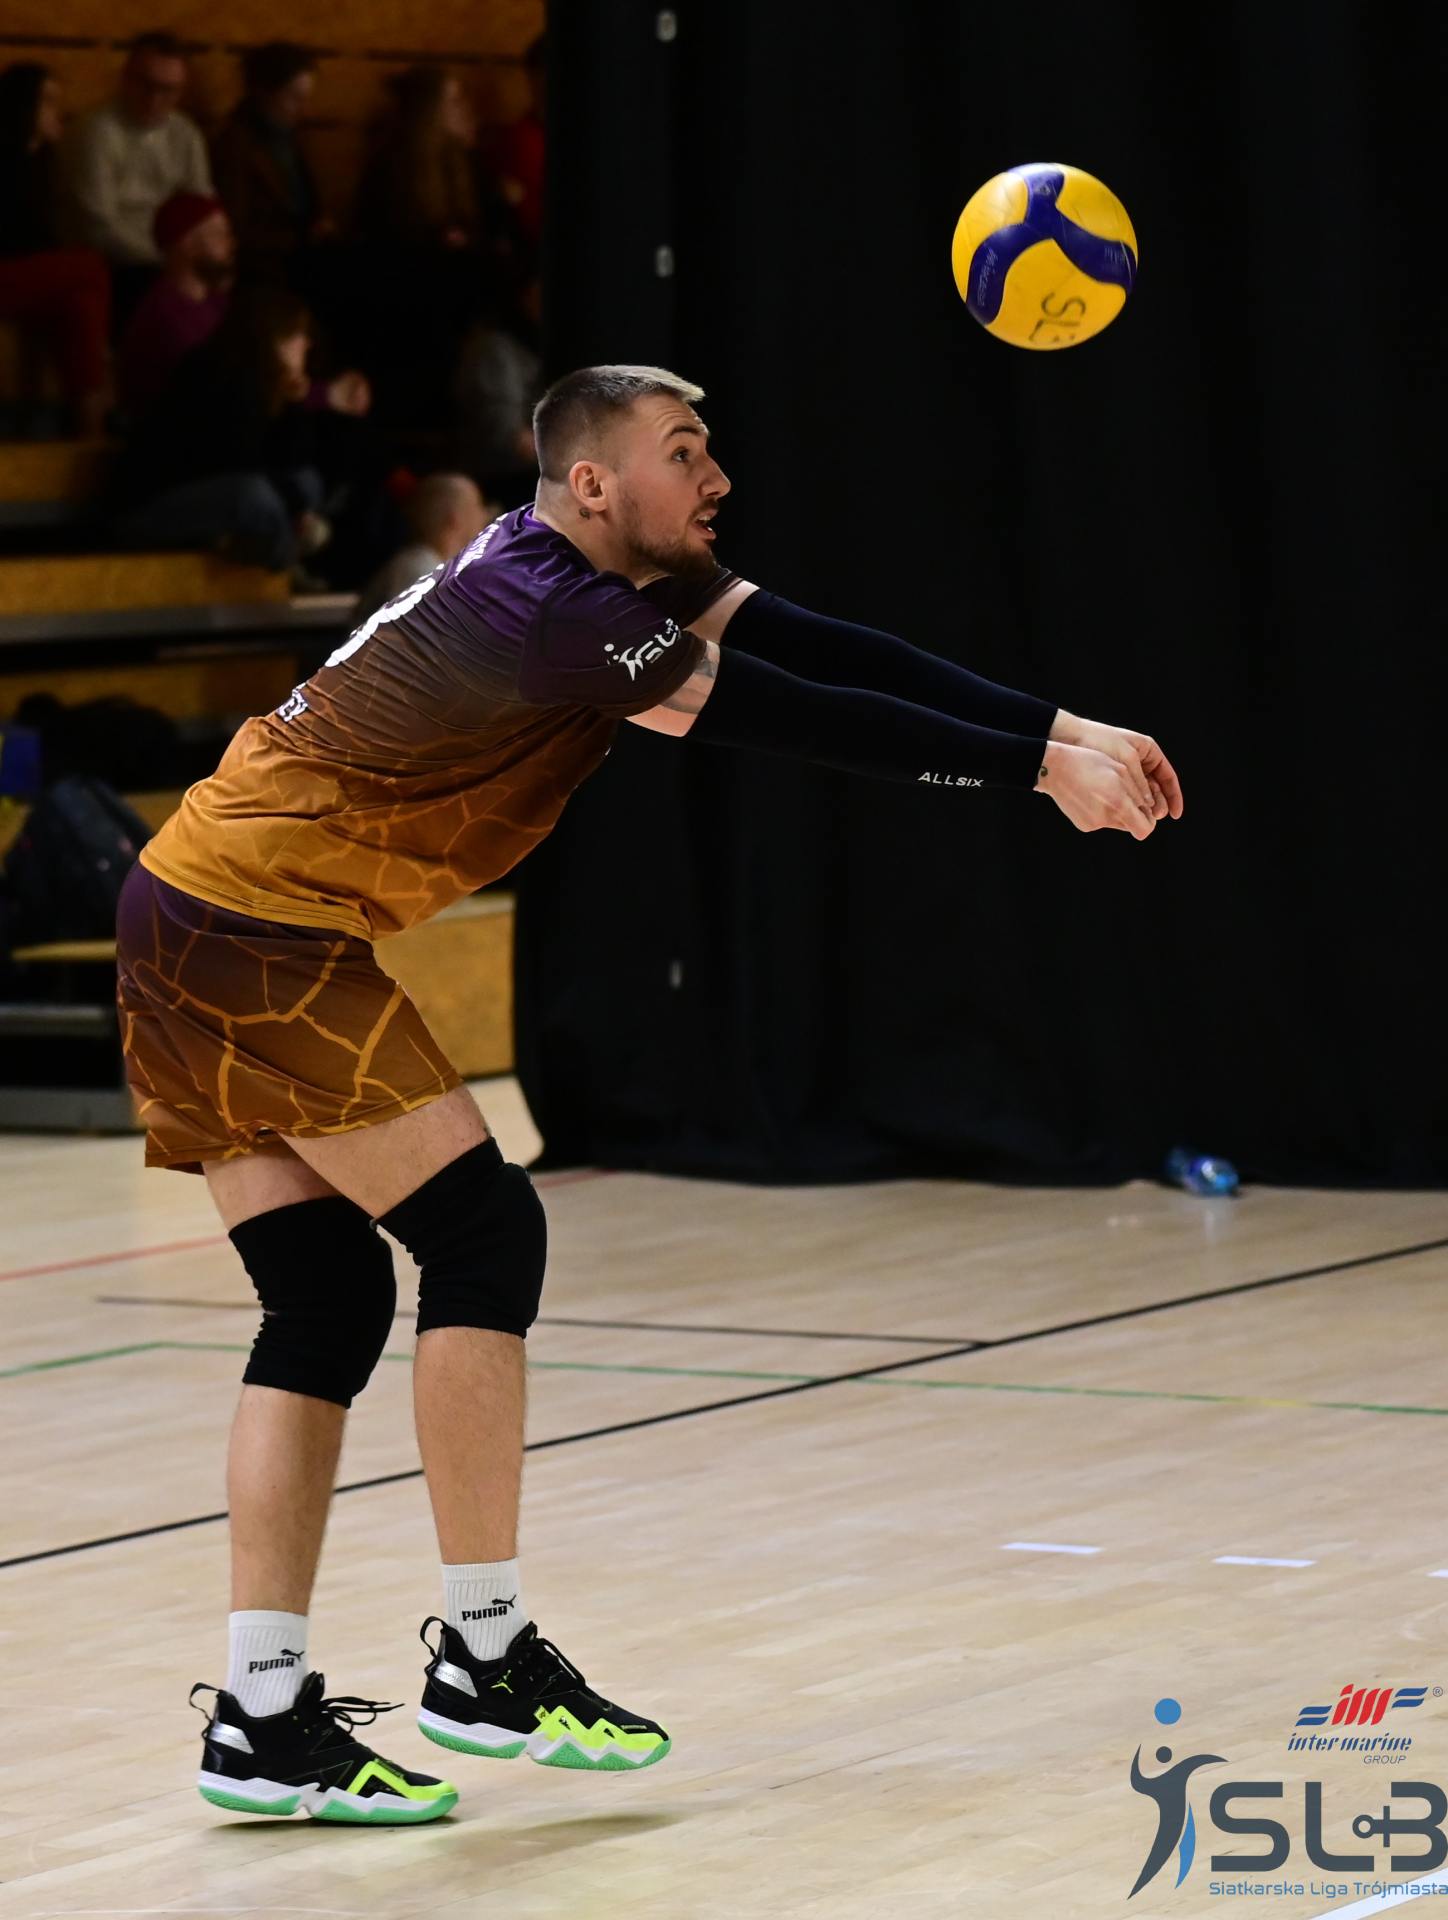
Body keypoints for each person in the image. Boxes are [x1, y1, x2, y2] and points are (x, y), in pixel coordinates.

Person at [114, 364, 1183, 1825]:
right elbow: (796, 715)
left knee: (325, 1300)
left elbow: (822, 644)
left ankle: (260, 1715)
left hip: (185, 906)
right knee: (482, 1236)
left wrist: (1059, 732)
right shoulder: (555, 610)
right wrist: (1031, 771)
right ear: (594, 483)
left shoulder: (595, 578)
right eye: (685, 452)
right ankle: (482, 1656)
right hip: (252, 928)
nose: (717, 478)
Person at [110, 285, 335, 574]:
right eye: (298, 334)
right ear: (274, 337)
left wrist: (294, 404)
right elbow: (238, 462)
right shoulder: (220, 372)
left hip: (210, 499)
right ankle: (286, 564)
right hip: (148, 509)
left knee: (306, 481)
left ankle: (275, 555)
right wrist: (295, 507)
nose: (307, 344)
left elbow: (291, 458)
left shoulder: (267, 382)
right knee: (254, 497)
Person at [60, 31, 211, 329]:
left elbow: (201, 206)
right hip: (110, 262)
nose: (154, 98)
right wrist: (165, 259)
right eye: (146, 84)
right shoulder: (96, 132)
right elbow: (98, 227)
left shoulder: (185, 133)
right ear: (126, 78)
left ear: (181, 92)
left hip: (166, 256)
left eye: (167, 90)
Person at [0, 62, 111, 434]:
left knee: (80, 303)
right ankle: (94, 412)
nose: (57, 112)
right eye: (46, 101)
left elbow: (42, 242)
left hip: (21, 277)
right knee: (90, 268)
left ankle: (86, 426)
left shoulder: (42, 163)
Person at [210, 43, 324, 284]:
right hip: (263, 269)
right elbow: (236, 229)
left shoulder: (293, 136)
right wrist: (301, 237)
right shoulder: (235, 146)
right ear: (263, 93)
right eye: (294, 98)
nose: (305, 110)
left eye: (306, 98)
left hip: (302, 256)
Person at [116, 190, 234, 418]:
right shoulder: (163, 316)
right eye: (220, 234)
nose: (230, 244)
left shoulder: (217, 303)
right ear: (187, 243)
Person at [356, 472, 493, 621]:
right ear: (454, 519)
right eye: (479, 506)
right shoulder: (420, 572)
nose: (485, 516)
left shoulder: (429, 568)